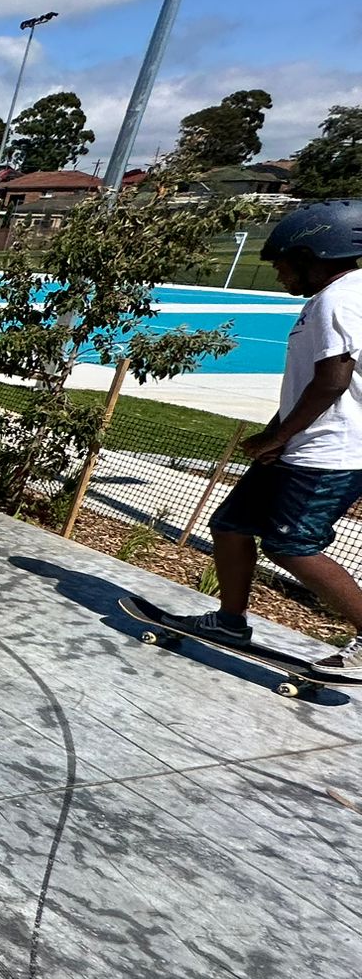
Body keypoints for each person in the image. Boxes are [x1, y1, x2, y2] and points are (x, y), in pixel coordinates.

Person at [181, 200, 362, 680]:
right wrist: (274, 435)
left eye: (283, 266)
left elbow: (331, 381)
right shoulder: (340, 296)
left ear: (312, 254)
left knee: (292, 544)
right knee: (232, 524)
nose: (280, 278)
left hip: (330, 452)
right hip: (301, 444)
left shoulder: (338, 299)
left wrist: (281, 434)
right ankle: (229, 622)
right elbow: (312, 383)